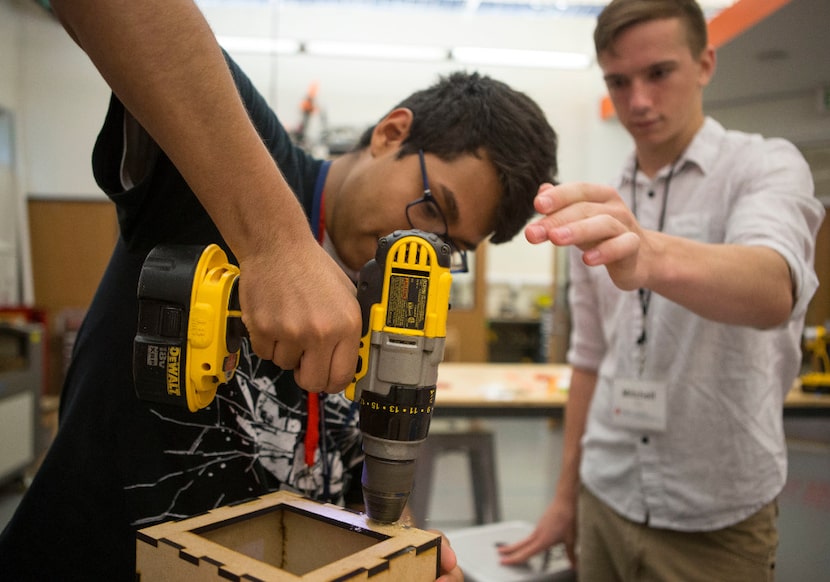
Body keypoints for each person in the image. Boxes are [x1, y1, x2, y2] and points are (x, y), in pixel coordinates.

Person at [0, 2, 559, 580]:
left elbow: (350, 465)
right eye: (432, 207)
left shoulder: (399, 297)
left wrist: (400, 542)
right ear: (392, 134)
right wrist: (277, 245)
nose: (422, 249)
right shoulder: (248, 157)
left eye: (453, 248)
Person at [498, 0, 824, 580]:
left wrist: (650, 254)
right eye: (618, 82)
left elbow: (775, 287)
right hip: (605, 494)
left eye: (659, 73)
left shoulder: (766, 167)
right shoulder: (601, 197)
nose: (638, 102)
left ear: (704, 64)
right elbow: (590, 359)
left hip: (716, 518)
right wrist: (565, 497)